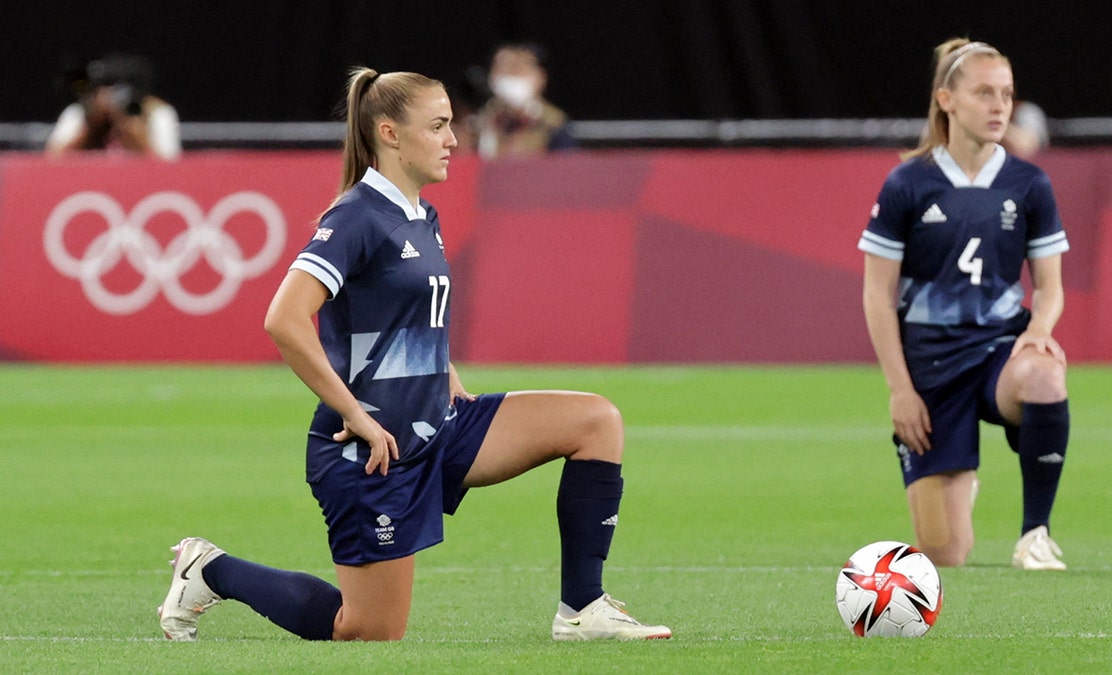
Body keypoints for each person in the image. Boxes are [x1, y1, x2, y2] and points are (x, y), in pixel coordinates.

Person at [157, 67, 670, 642]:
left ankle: (583, 609)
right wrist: (355, 414)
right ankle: (211, 569)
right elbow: (283, 319)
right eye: (439, 126)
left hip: (439, 423)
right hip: (374, 449)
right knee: (368, 630)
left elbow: (407, 310)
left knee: (595, 420)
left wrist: (444, 369)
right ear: (390, 133)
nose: (454, 139)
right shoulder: (355, 217)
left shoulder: (422, 214)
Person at [858, 39, 1071, 571]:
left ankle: (1035, 534)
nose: (1000, 106)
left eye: (1007, 94)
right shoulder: (909, 183)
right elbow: (877, 296)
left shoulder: (1029, 183)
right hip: (931, 371)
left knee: (1044, 376)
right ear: (947, 99)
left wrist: (1039, 328)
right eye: (984, 93)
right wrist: (900, 391)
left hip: (999, 351)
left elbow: (1049, 287)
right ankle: (958, 478)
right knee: (944, 554)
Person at [45, 54, 181, 161]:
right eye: (104, 88)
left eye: (118, 90)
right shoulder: (79, 112)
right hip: (90, 182)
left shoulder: (157, 112)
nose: (111, 96)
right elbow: (51, 160)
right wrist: (91, 127)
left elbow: (169, 164)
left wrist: (130, 127)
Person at [470, 42, 577, 159]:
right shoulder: (480, 122)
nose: (508, 76)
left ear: (540, 77)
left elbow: (566, 169)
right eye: (500, 68)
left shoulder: (554, 125)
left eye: (517, 69)